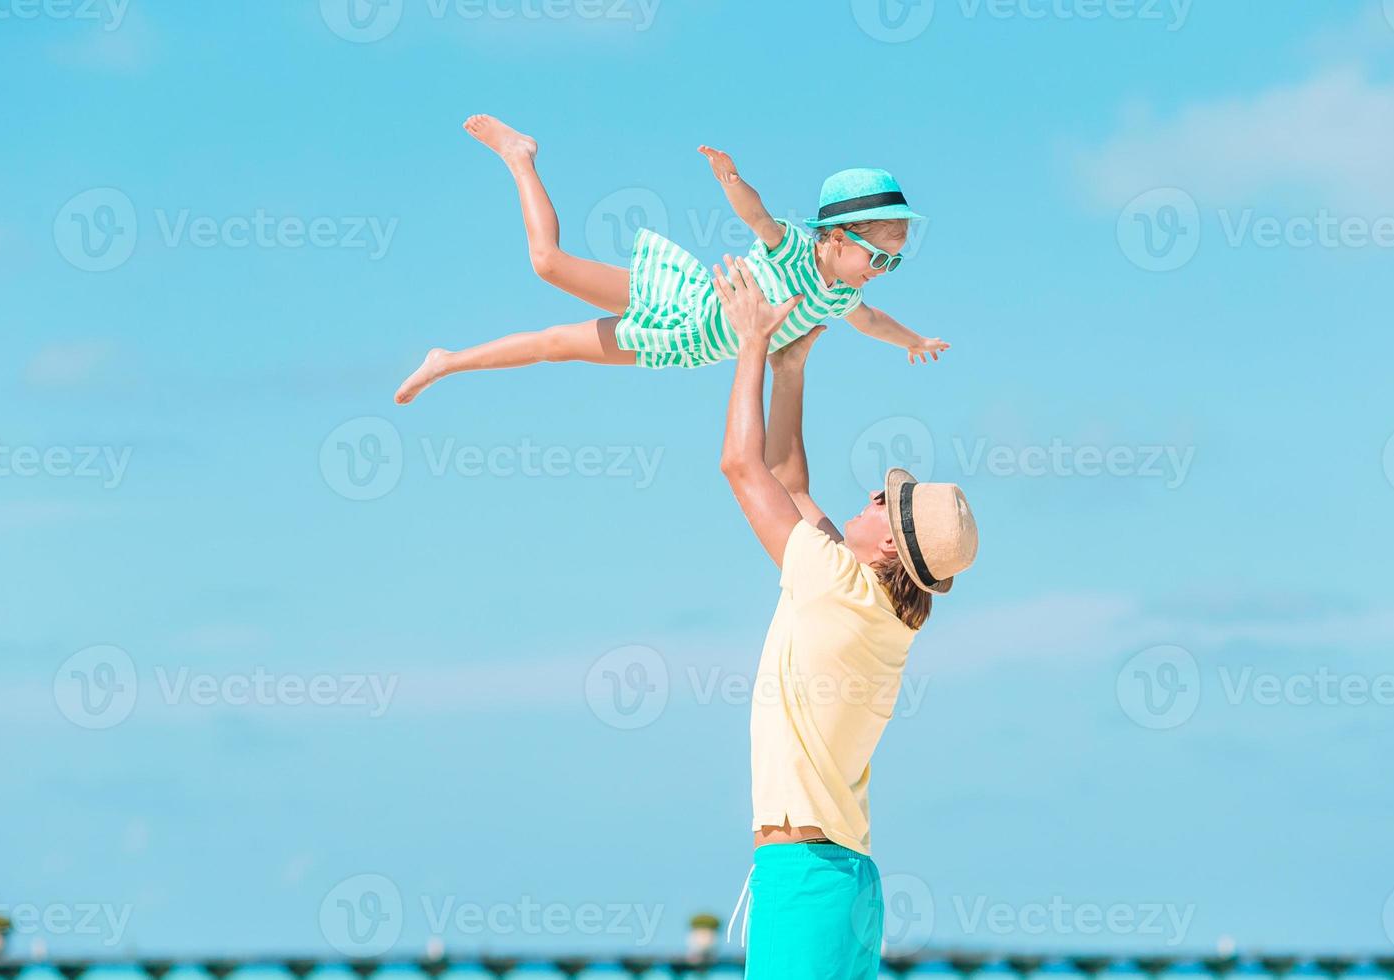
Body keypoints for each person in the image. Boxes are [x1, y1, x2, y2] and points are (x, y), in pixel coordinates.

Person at [708, 255, 978, 978]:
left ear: (888, 544)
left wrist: (755, 341)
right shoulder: (883, 613)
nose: (864, 499)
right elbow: (791, 482)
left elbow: (745, 468)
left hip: (806, 877)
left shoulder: (835, 587)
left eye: (875, 502)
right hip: (844, 877)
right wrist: (792, 370)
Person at [393, 115, 948, 404]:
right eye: (880, 255)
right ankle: (519, 156)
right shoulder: (795, 247)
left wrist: (915, 341)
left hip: (681, 347)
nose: (882, 270)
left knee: (556, 346)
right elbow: (756, 217)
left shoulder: (844, 295)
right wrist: (731, 177)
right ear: (837, 236)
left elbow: (872, 322)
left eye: (894, 263)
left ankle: (446, 361)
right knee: (548, 263)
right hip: (680, 302)